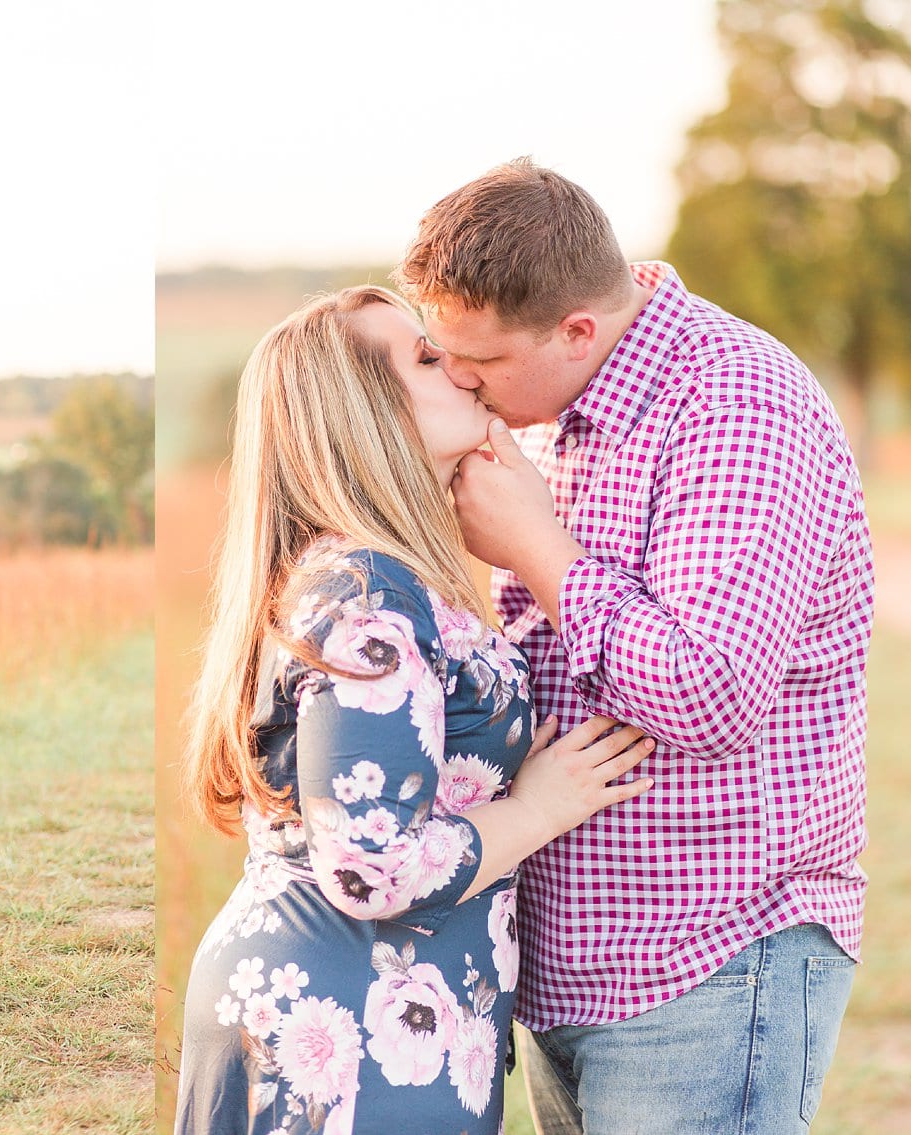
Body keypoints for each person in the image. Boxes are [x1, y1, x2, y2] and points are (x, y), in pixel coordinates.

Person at [393, 158, 874, 1135]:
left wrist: (535, 546)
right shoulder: (546, 409)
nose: (462, 383)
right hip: (568, 964)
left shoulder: (734, 406)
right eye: (447, 360)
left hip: (709, 957)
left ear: (576, 329)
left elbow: (709, 692)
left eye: (480, 365)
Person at [175, 285, 654, 1134]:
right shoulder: (369, 594)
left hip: (374, 1006)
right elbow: (372, 865)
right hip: (344, 1025)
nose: (461, 368)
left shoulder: (386, 576)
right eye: (427, 357)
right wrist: (538, 808)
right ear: (366, 412)